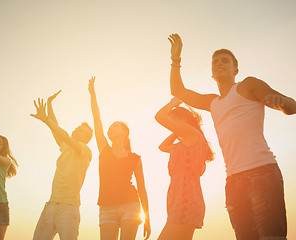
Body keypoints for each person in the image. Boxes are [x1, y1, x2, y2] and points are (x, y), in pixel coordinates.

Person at [168, 33, 296, 240]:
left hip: (262, 173)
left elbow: (291, 105)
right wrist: (175, 60)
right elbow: (178, 90)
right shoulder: (212, 102)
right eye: (215, 62)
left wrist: (281, 104)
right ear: (211, 73)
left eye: (225, 61)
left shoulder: (247, 85)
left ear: (235, 70)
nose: (219, 63)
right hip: (233, 180)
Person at [88, 76, 151, 240]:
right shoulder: (104, 150)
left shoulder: (135, 158)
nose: (110, 128)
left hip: (130, 205)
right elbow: (97, 119)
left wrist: (147, 217)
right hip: (106, 207)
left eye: (115, 126)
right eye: (110, 127)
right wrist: (92, 94)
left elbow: (142, 188)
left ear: (124, 132)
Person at [31, 91, 93, 240]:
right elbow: (56, 128)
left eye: (81, 131)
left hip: (69, 207)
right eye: (77, 128)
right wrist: (50, 104)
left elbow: (62, 134)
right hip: (51, 205)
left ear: (85, 139)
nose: (76, 130)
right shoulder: (66, 146)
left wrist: (45, 119)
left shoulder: (84, 150)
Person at [155, 97, 214, 240]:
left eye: (172, 120)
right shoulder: (186, 142)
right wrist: (176, 131)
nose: (170, 124)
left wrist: (173, 103)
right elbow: (162, 147)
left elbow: (159, 117)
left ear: (183, 119)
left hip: (185, 200)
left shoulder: (192, 134)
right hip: (182, 198)